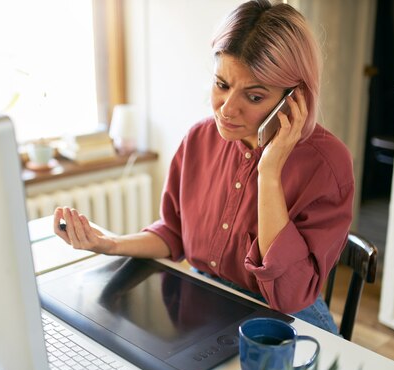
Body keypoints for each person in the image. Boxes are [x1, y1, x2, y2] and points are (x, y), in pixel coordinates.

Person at [53, 0, 354, 334]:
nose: (227, 110)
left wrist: (269, 173)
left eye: (254, 97)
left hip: (285, 319)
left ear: (294, 97)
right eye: (222, 85)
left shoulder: (327, 164)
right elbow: (174, 233)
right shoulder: (199, 138)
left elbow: (290, 295)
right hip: (205, 301)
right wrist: (109, 244)